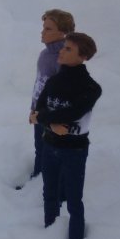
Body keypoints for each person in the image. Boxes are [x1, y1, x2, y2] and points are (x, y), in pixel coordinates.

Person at [30, 32, 101, 239]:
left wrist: (43, 119)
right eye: (64, 47)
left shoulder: (91, 88)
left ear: (83, 57)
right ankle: (49, 236)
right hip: (50, 146)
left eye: (69, 49)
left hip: (74, 150)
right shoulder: (53, 81)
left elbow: (71, 114)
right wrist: (50, 124)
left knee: (73, 200)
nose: (62, 50)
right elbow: (37, 112)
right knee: (49, 194)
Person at [29, 9, 75, 179]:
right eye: (43, 27)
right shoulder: (44, 55)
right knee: (39, 148)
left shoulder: (64, 59)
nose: (42, 32)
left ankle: (56, 189)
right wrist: (33, 109)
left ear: (64, 33)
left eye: (48, 29)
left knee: (53, 153)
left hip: (54, 118)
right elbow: (39, 85)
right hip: (39, 114)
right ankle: (36, 180)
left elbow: (66, 94)